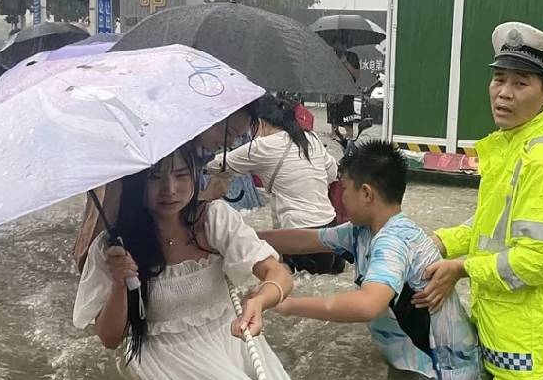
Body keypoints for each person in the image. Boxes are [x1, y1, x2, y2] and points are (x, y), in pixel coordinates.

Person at [413, 22, 543, 380]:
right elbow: (490, 228)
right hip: (501, 330)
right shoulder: (507, 148)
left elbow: (538, 259)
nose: (504, 93)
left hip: (529, 353)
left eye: (520, 84)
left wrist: (461, 268)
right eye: (498, 79)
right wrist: (439, 241)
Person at [72, 144, 300, 380]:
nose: (169, 189)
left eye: (181, 175)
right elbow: (110, 340)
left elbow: (279, 275)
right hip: (167, 369)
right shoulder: (110, 249)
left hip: (234, 348)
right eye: (155, 178)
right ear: (136, 183)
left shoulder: (213, 219)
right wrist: (121, 284)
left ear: (195, 174)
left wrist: (260, 302)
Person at [259, 141, 482, 380]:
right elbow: (307, 239)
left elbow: (368, 305)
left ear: (366, 194)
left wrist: (286, 305)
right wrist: (243, 238)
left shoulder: (394, 241)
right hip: (416, 365)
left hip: (445, 378)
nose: (340, 198)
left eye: (344, 189)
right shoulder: (362, 231)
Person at [73, 102, 257, 272]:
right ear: (210, 117)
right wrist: (204, 196)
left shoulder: (197, 152)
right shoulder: (153, 150)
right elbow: (118, 213)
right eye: (228, 133)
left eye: (237, 136)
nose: (230, 143)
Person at [216, 94, 344, 275]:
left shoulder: (262, 147)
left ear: (259, 122)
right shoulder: (311, 139)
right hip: (331, 233)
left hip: (298, 238)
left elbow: (216, 165)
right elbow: (332, 174)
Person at [326, 38, 360, 141]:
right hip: (333, 90)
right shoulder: (330, 56)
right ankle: (334, 132)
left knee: (347, 115)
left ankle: (349, 133)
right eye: (335, 45)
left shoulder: (352, 56)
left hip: (347, 91)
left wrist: (345, 63)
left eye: (340, 45)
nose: (338, 47)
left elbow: (357, 75)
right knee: (333, 113)